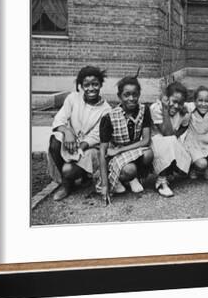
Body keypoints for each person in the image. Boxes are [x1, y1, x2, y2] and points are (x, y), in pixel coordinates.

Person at [47, 66, 112, 201]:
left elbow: (96, 135)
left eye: (95, 84)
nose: (91, 89)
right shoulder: (73, 99)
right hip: (70, 142)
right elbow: (59, 119)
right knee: (55, 140)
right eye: (86, 85)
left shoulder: (106, 109)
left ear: (100, 84)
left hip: (88, 147)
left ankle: (83, 175)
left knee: (68, 170)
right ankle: (67, 184)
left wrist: (80, 148)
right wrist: (67, 132)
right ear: (81, 86)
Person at [98, 76, 154, 203]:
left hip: (130, 150)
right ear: (119, 96)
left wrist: (120, 150)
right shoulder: (109, 117)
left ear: (139, 94)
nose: (131, 98)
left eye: (135, 94)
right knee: (130, 170)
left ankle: (135, 177)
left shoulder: (144, 110)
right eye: (126, 95)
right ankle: (124, 178)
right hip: (115, 156)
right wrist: (105, 185)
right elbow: (102, 151)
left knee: (148, 154)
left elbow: (145, 140)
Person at [150, 82, 191, 197]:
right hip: (155, 141)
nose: (177, 106)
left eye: (180, 103)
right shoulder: (156, 108)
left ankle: (170, 171)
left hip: (170, 140)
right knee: (169, 141)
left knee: (184, 163)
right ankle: (161, 181)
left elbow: (184, 126)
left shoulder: (183, 111)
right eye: (174, 101)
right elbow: (166, 133)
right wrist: (165, 109)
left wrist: (176, 136)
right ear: (167, 99)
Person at [183, 86, 208, 180]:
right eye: (200, 100)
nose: (203, 104)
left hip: (207, 144)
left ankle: (207, 166)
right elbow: (180, 103)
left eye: (207, 101)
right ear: (195, 101)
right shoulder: (191, 111)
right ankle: (194, 167)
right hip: (193, 145)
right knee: (201, 164)